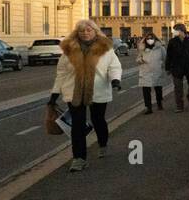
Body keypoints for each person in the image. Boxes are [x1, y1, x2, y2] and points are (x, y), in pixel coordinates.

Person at [49, 19, 124, 172]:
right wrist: (54, 93)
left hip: (97, 90)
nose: (85, 33)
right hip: (74, 92)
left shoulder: (105, 48)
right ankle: (79, 159)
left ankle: (102, 144)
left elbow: (114, 66)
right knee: (77, 126)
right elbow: (61, 73)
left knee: (98, 120)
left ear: (95, 31)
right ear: (77, 33)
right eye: (82, 31)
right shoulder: (69, 49)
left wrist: (115, 79)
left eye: (88, 30)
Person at [165, 23, 189, 112]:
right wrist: (167, 68)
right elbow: (169, 55)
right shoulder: (172, 41)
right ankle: (179, 106)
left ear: (181, 31)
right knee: (178, 87)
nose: (173, 32)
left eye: (175, 31)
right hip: (177, 67)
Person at [137, 33, 168, 113]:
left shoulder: (160, 48)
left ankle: (159, 103)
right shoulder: (142, 48)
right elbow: (138, 58)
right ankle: (148, 107)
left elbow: (165, 58)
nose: (149, 40)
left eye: (151, 38)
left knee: (158, 89)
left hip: (156, 70)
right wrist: (141, 60)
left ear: (155, 39)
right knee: (146, 91)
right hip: (145, 71)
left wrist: (166, 67)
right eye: (148, 39)